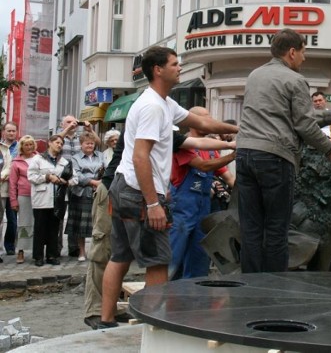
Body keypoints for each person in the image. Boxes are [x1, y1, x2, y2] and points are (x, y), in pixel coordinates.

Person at [100, 46, 239, 329]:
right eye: (175, 64)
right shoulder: (152, 106)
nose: (179, 67)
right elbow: (141, 156)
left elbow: (199, 122)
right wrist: (152, 203)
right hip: (139, 192)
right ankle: (156, 325)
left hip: (124, 186)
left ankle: (106, 320)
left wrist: (239, 130)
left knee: (120, 256)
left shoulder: (163, 102)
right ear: (158, 70)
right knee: (159, 262)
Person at [83, 127, 234, 330]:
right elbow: (196, 151)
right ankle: (117, 315)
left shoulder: (158, 122)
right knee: (149, 259)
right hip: (128, 192)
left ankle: (108, 316)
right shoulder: (154, 120)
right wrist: (154, 203)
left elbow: (203, 143)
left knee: (121, 256)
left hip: (128, 191)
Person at [236, 28, 331, 273]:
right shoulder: (295, 80)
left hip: (245, 154)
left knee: (251, 228)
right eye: (304, 52)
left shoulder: (254, 75)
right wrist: (330, 148)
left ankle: (249, 288)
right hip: (275, 156)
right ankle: (275, 288)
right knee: (276, 228)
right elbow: (304, 124)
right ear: (292, 52)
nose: (305, 58)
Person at [168, 106, 236, 280]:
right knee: (174, 255)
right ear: (192, 122)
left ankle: (193, 296)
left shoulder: (212, 150)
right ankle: (161, 297)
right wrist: (233, 154)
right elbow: (203, 166)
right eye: (204, 119)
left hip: (203, 208)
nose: (209, 123)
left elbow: (229, 178)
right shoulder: (182, 144)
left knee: (200, 254)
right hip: (183, 207)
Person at [27, 135, 77, 267]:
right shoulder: (38, 159)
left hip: (58, 199)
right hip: (41, 198)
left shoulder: (65, 162)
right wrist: (47, 177)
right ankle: (38, 256)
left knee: (54, 229)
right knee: (40, 228)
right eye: (57, 142)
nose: (59, 145)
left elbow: (74, 179)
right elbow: (31, 176)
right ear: (50, 143)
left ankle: (52, 255)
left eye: (61, 143)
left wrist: (63, 181)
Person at [59, 115, 99, 258]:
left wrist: (90, 129)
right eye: (68, 122)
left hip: (79, 183)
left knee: (77, 216)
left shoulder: (80, 137)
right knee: (61, 215)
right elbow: (55, 141)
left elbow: (96, 143)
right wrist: (67, 129)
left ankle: (74, 248)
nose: (72, 124)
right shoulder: (60, 135)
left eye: (73, 122)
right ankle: (57, 248)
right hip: (62, 178)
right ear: (62, 124)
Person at [68, 132, 106, 261]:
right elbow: (76, 175)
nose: (90, 145)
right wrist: (93, 182)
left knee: (98, 222)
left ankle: (96, 251)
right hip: (81, 193)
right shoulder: (75, 158)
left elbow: (106, 169)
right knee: (81, 225)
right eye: (87, 143)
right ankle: (82, 252)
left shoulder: (101, 156)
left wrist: (101, 181)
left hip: (99, 192)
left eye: (92, 143)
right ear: (81, 144)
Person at [9, 135, 38, 264]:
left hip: (38, 195)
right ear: (22, 146)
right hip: (24, 195)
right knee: (23, 223)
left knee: (37, 223)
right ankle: (20, 250)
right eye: (26, 144)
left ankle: (36, 251)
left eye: (31, 144)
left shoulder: (39, 159)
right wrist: (13, 201)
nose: (29, 147)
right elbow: (12, 183)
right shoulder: (16, 162)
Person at [2, 122, 19, 256]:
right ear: (3, 132)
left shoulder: (21, 147)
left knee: (13, 221)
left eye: (13, 131)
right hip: (1, 188)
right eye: (9, 131)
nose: (11, 133)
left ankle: (10, 245)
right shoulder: (0, 147)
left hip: (15, 190)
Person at [0, 140, 11, 262]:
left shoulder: (4, 149)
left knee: (0, 221)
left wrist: (2, 175)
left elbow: (9, 166)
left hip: (1, 188)